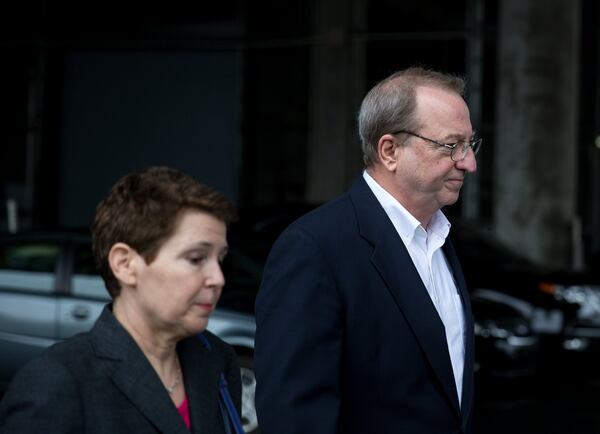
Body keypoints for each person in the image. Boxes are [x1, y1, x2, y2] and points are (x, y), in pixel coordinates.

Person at [254, 67, 481, 434]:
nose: (468, 162)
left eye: (470, 144)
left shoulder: (440, 240)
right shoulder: (315, 247)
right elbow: (294, 414)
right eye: (451, 145)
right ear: (390, 150)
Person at [0, 166, 241, 434]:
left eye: (220, 259)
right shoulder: (57, 381)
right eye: (196, 259)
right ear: (125, 264)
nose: (218, 278)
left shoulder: (218, 360)